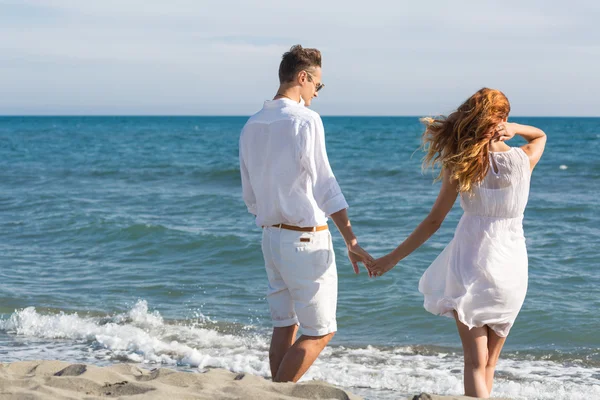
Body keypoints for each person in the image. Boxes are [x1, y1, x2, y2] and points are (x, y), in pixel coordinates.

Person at [368, 88, 546, 398]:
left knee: (475, 363)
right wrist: (516, 129)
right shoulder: (523, 159)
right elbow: (540, 136)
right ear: (502, 120)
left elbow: (433, 222)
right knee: (490, 362)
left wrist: (391, 259)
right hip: (513, 264)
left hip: (471, 261)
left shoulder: (461, 163)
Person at [239, 45, 373, 383]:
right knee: (320, 331)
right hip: (305, 240)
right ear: (303, 77)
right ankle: (279, 393)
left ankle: (273, 390)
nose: (317, 92)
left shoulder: (252, 125)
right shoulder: (306, 121)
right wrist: (351, 239)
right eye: (318, 85)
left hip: (271, 238)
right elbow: (326, 184)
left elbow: (250, 196)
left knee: (285, 324)